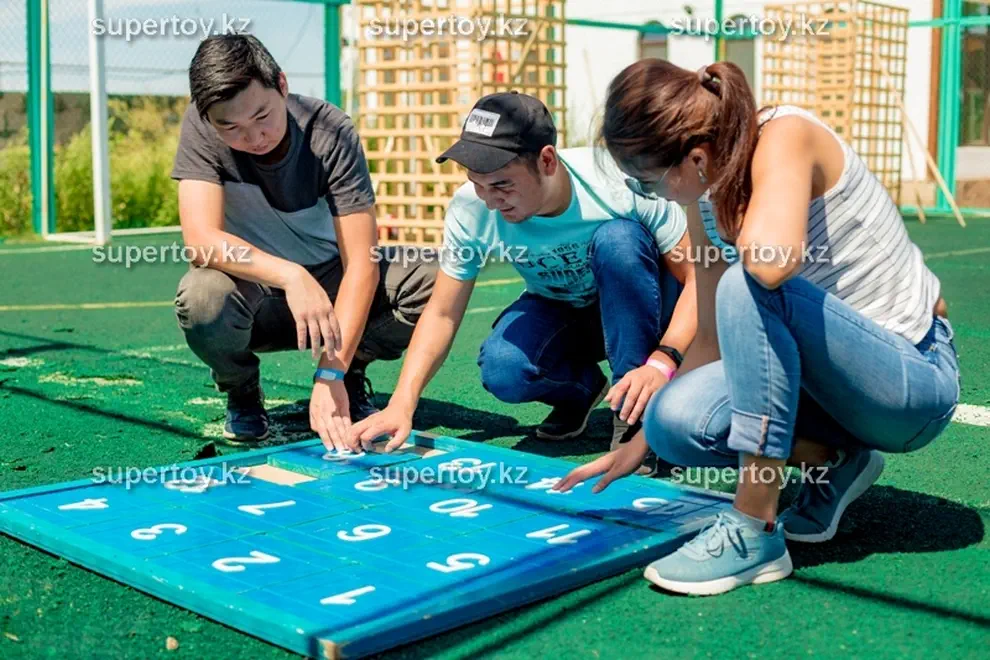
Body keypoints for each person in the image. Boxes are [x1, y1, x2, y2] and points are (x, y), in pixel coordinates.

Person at [554, 59, 960, 595]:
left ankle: (753, 529)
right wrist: (642, 442)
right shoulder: (702, 189)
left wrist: (727, 198)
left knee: (748, 283)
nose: (655, 195)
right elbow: (710, 337)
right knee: (673, 421)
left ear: (697, 158)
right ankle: (834, 461)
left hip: (909, 386)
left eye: (648, 183)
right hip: (830, 391)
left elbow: (769, 267)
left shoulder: (784, 136)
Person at [349, 91, 696, 455]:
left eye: (502, 185)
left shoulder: (619, 181)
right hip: (568, 311)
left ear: (547, 161)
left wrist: (664, 359)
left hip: (646, 307)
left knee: (618, 241)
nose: (489, 200)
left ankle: (635, 414)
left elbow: (697, 280)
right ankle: (581, 391)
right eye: (477, 183)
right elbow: (441, 313)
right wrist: (401, 405)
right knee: (505, 368)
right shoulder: (471, 208)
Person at [170, 34, 436, 449]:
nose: (254, 136)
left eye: (262, 116)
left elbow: (362, 263)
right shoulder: (201, 127)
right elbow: (201, 241)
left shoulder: (331, 131)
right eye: (230, 127)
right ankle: (242, 391)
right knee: (201, 296)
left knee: (434, 278)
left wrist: (330, 371)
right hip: (255, 294)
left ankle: (349, 371)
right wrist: (290, 276)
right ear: (208, 118)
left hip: (332, 288)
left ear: (282, 84)